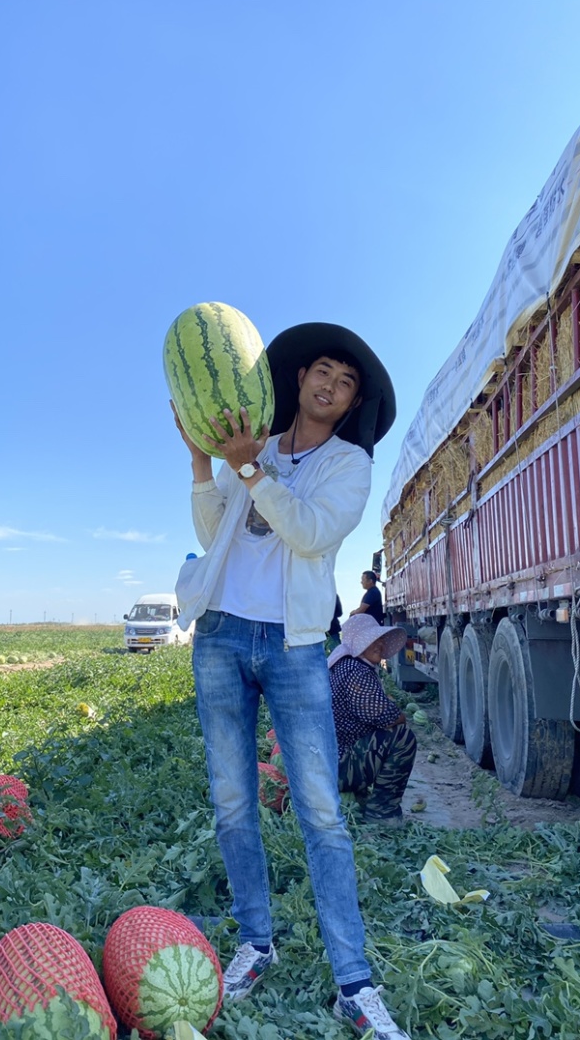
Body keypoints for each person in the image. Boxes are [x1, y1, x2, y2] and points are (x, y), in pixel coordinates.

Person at [172, 321, 410, 1039]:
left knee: (321, 812)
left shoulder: (350, 466)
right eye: (323, 372)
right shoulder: (259, 444)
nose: (330, 387)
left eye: (345, 383)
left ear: (350, 403)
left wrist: (248, 470)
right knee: (232, 800)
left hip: (294, 645)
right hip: (218, 634)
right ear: (301, 376)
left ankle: (353, 981)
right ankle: (255, 939)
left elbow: (308, 531)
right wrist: (201, 465)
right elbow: (217, 534)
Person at [328, 615, 417, 822]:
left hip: (330, 762)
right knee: (402, 738)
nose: (379, 644)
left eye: (379, 639)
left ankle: (364, 797)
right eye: (371, 639)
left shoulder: (344, 665)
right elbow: (387, 717)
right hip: (338, 766)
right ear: (357, 643)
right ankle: (382, 811)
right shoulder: (355, 670)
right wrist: (399, 714)